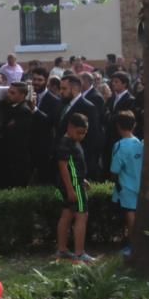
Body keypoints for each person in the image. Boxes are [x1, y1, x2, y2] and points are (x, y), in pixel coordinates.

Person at [54, 113, 95, 264]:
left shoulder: (72, 141)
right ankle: (79, 252)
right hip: (73, 185)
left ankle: (62, 249)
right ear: (70, 128)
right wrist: (71, 189)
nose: (82, 136)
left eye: (84, 133)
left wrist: (82, 178)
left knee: (67, 213)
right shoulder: (66, 144)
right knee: (82, 215)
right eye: (79, 132)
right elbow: (63, 167)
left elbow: (73, 165)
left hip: (76, 181)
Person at [109, 111, 142, 258]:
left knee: (130, 215)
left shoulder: (120, 146)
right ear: (134, 125)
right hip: (139, 186)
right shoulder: (140, 144)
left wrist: (115, 183)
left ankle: (133, 245)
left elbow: (114, 169)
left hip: (126, 188)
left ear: (118, 127)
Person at [0, 82, 33, 188]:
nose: (8, 94)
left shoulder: (24, 111)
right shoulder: (7, 106)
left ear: (22, 95)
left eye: (12, 93)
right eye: (8, 91)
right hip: (7, 157)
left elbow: (13, 133)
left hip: (17, 160)